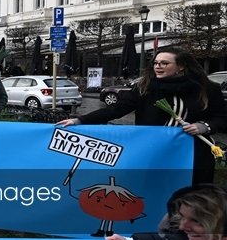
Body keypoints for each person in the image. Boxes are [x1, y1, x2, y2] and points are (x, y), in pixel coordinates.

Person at [56, 46, 226, 184]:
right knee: (154, 187)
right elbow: (117, 109)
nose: (158, 66)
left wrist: (205, 126)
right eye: (156, 63)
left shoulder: (208, 89)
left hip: (194, 152)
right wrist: (79, 120)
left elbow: (222, 117)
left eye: (164, 63)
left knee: (192, 191)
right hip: (154, 149)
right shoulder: (145, 87)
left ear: (181, 66)